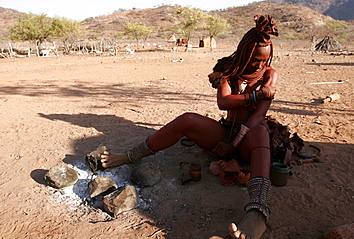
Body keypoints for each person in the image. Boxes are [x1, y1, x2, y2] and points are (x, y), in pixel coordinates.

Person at [99, 15, 279, 239]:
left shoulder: (269, 76)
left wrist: (233, 145)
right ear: (244, 54)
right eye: (255, 61)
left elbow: (257, 116)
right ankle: (131, 155)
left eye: (265, 60)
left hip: (249, 139)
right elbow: (223, 102)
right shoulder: (228, 70)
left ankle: (257, 214)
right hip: (225, 132)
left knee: (261, 130)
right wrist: (255, 95)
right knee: (187, 120)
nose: (260, 66)